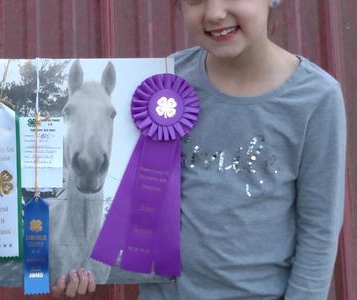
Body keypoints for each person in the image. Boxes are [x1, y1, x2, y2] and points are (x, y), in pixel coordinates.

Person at [51, 0, 347, 299]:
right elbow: (131, 201)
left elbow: (319, 229)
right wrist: (77, 265)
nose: (215, 13)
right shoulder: (164, 84)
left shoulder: (316, 98)